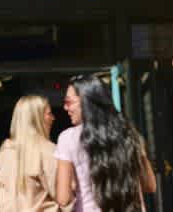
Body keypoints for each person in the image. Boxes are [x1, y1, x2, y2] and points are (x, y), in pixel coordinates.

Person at [55, 74, 156, 212]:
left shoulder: (67, 138)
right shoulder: (129, 133)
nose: (65, 108)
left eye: (69, 102)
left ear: (86, 101)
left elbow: (63, 198)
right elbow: (150, 185)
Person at [0, 94, 61, 212]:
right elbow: (63, 196)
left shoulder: (4, 152)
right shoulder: (48, 151)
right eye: (49, 113)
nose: (53, 118)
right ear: (35, 118)